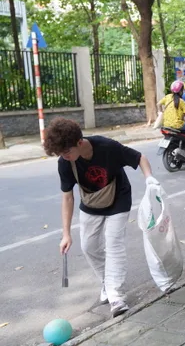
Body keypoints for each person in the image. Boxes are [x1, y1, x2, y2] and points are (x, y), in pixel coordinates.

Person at [44, 118, 157, 318]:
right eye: (61, 154)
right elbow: (68, 197)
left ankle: (116, 296)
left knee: (114, 244)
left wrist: (150, 180)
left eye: (67, 152)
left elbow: (140, 158)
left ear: (79, 143)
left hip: (119, 198)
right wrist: (66, 234)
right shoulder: (65, 163)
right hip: (91, 203)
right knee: (89, 247)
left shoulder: (107, 147)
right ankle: (107, 281)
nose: (64, 156)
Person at [160, 80, 185, 150]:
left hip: (165, 124)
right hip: (177, 124)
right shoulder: (182, 101)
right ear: (181, 90)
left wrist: (160, 112)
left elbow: (158, 104)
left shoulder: (167, 97)